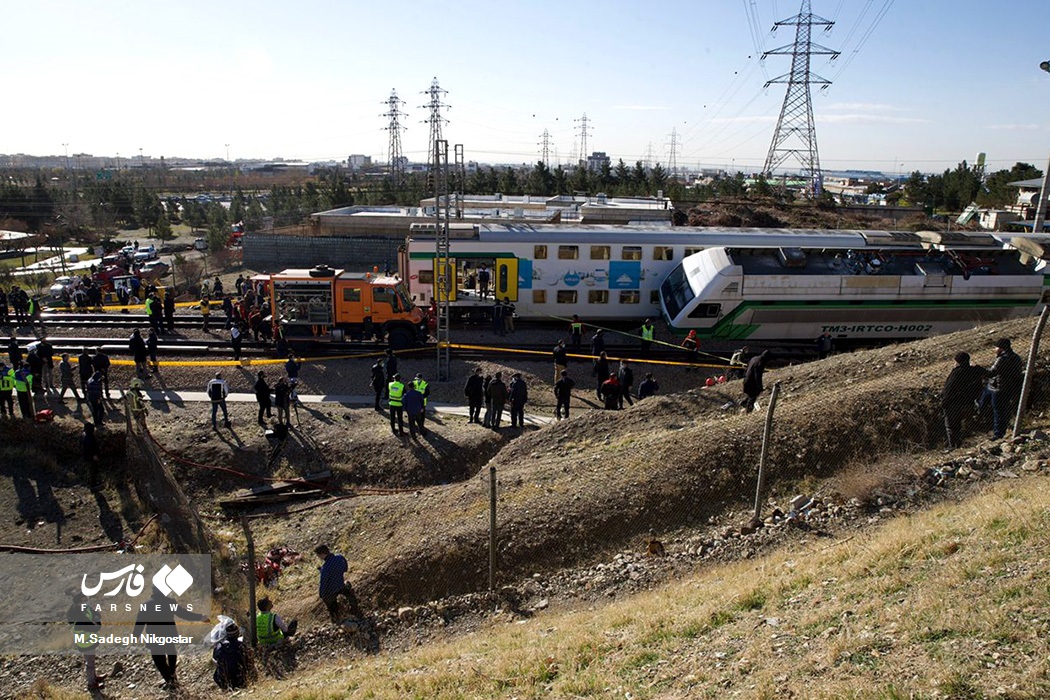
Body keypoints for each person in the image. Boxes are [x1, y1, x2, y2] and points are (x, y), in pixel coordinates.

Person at [133, 585, 209, 691]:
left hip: (154, 637)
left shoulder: (146, 605)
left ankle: (171, 681)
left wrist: (135, 636)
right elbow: (184, 614)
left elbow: (139, 623)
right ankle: (172, 678)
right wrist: (200, 617)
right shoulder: (170, 602)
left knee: (159, 661)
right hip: (169, 635)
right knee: (171, 655)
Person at [941, 351, 987, 448]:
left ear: (958, 362)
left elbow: (949, 389)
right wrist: (977, 367)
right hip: (968, 402)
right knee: (962, 425)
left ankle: (953, 446)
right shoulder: (974, 371)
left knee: (951, 426)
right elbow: (989, 373)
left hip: (954, 404)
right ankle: (960, 443)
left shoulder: (956, 373)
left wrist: (944, 402)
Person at [984, 337, 1024, 440]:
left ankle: (998, 434)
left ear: (1001, 348)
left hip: (998, 388)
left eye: (996, 347)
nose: (995, 350)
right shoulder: (1016, 357)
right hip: (1009, 388)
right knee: (1002, 409)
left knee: (998, 411)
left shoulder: (1002, 359)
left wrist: (979, 370)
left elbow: (991, 373)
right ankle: (1003, 427)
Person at [67, 591, 106, 692]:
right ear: (78, 602)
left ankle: (94, 677)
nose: (87, 602)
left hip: (88, 640)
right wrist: (97, 621)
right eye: (84, 600)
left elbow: (94, 612)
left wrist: (96, 615)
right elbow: (95, 628)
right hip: (86, 642)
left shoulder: (82, 609)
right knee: (90, 662)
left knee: (91, 660)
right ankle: (91, 683)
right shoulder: (79, 617)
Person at [314, 544, 364, 622]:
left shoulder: (325, 568)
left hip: (331, 591)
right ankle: (354, 608)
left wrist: (321, 595)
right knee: (348, 592)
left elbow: (323, 583)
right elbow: (345, 569)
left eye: (318, 556)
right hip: (341, 585)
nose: (319, 557)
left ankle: (336, 618)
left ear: (322, 554)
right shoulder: (340, 558)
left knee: (330, 603)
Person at [211, 619, 247, 690]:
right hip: (241, 680)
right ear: (237, 634)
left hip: (223, 681)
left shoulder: (219, 646)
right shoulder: (242, 646)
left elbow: (215, 661)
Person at [387, 372, 405, 436]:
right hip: (399, 404)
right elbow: (404, 395)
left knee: (392, 418)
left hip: (391, 403)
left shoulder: (390, 384)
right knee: (400, 418)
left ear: (394, 378)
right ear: (400, 379)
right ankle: (401, 432)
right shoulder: (402, 386)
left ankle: (393, 430)